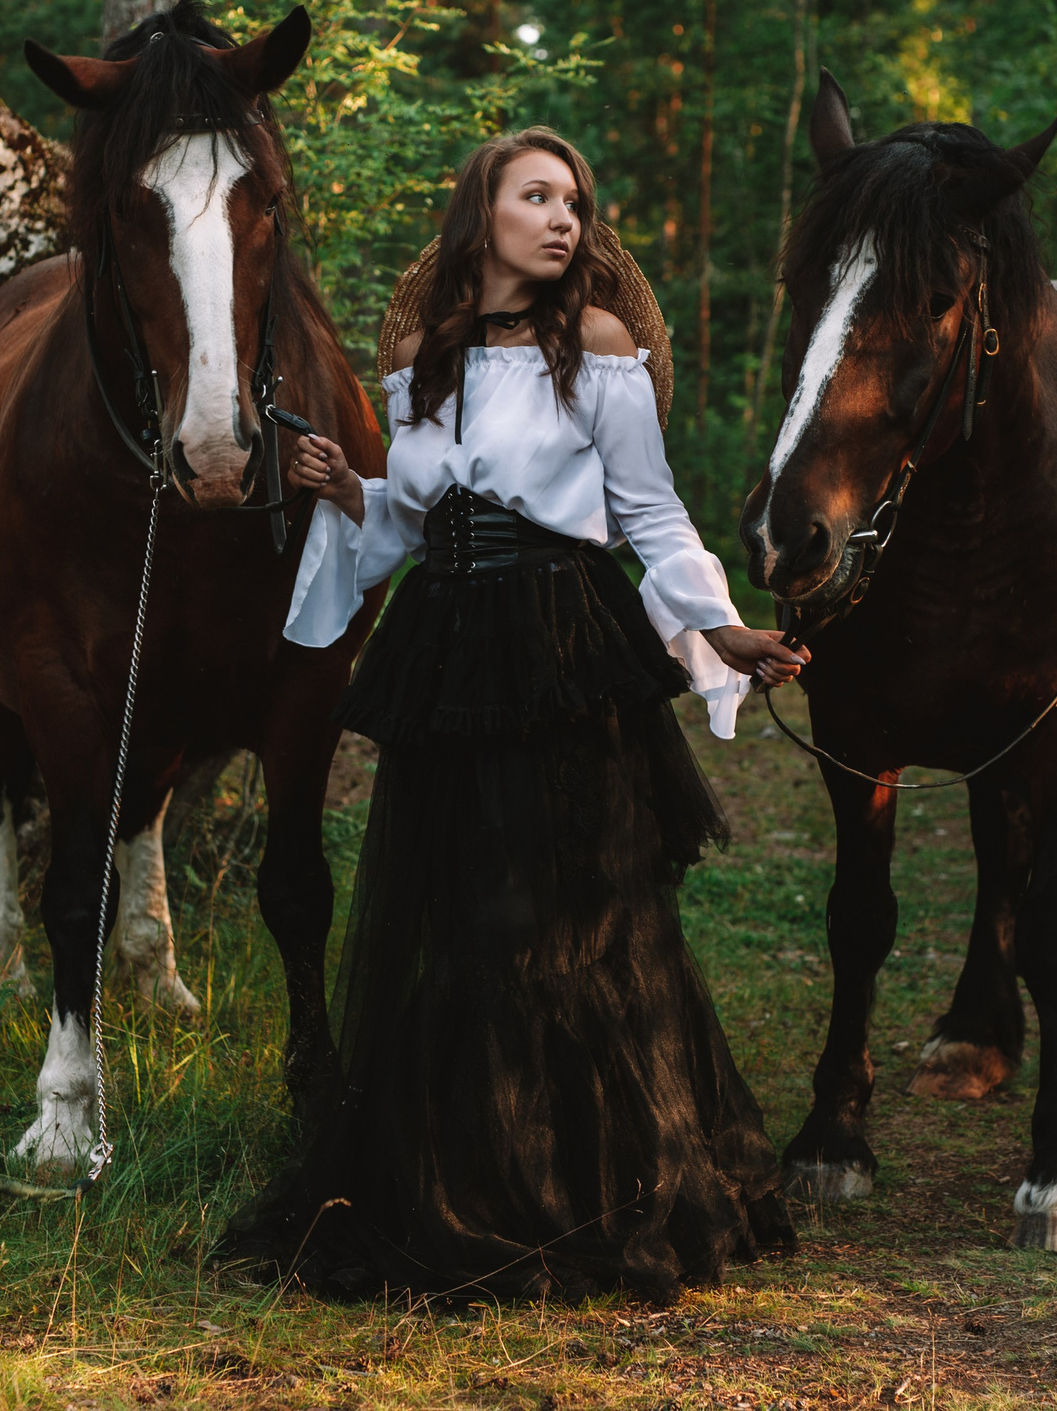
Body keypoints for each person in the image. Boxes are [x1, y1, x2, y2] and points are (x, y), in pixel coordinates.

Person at [221, 126, 809, 1305]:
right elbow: (411, 522)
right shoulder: (422, 363)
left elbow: (648, 511)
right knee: (462, 920)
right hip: (452, 644)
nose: (562, 219)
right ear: (478, 211)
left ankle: (599, 1190)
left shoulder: (596, 350)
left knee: (580, 916)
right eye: (535, 195)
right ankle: (470, 1189)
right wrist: (353, 490)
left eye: (575, 202)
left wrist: (718, 626)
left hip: (563, 640)